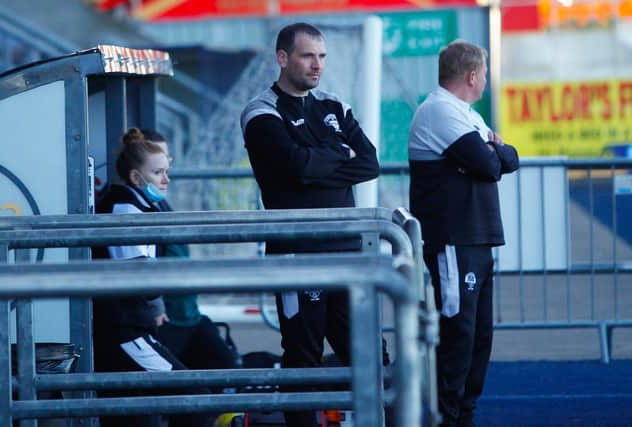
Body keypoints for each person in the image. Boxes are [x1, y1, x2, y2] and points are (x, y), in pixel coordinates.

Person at [240, 22, 380, 427]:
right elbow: (295, 169)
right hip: (298, 255)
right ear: (283, 58)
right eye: (307, 56)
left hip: (349, 253)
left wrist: (316, 161)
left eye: (321, 56)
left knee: (369, 354)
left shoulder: (334, 106)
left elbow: (368, 163)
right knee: (304, 359)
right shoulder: (261, 111)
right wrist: (335, 156)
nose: (317, 65)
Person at [407, 40, 520, 427]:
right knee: (459, 335)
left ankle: (464, 415)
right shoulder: (440, 110)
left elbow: (509, 159)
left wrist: (495, 154)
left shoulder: (465, 114)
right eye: (485, 74)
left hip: (477, 239)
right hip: (454, 241)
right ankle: (447, 417)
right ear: (472, 76)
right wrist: (494, 153)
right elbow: (490, 165)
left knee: (478, 338)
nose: (486, 81)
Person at [92, 128, 213, 427]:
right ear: (136, 177)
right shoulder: (125, 210)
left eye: (167, 171)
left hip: (133, 329)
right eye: (158, 172)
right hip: (125, 333)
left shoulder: (137, 205)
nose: (166, 180)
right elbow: (141, 281)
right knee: (193, 397)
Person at [141, 129, 241, 373]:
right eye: (158, 166)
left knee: (227, 366)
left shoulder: (160, 203)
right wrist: (156, 310)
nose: (166, 174)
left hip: (189, 316)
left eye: (167, 162)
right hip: (166, 320)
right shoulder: (137, 210)